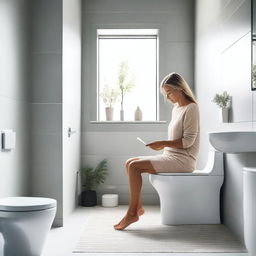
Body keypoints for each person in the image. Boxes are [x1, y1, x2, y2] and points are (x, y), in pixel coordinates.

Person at [113, 72, 200, 231]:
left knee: (134, 167)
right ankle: (138, 207)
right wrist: (163, 146)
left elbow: (188, 142)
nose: (167, 97)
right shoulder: (177, 108)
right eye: (165, 94)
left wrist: (162, 143)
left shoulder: (191, 108)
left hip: (184, 160)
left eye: (169, 92)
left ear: (179, 89)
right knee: (129, 163)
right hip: (171, 156)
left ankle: (132, 213)